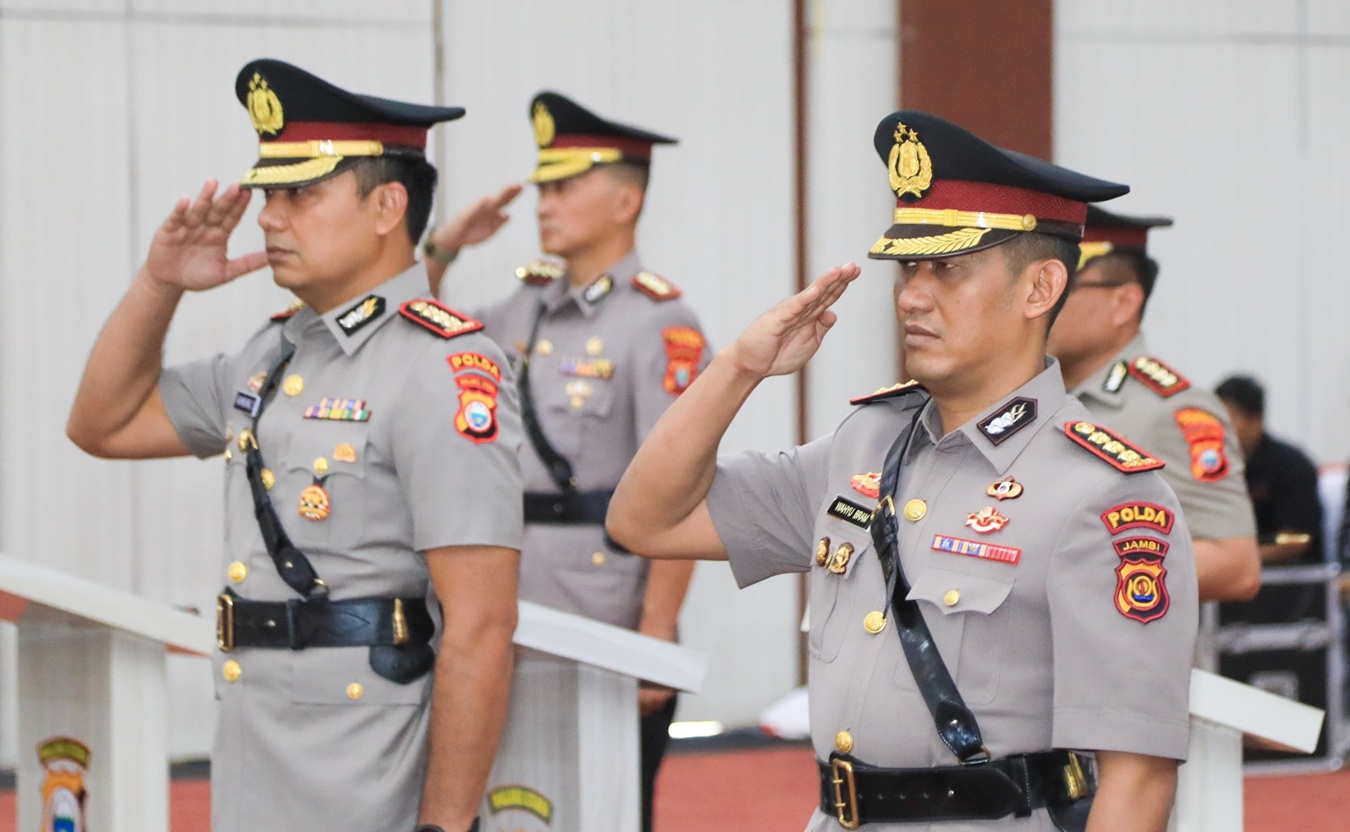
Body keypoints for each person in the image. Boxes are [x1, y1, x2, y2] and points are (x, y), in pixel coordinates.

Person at [608, 111, 1198, 831]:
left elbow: (1136, 784)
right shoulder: (865, 445)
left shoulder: (1103, 494)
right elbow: (645, 519)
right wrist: (738, 369)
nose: (913, 296)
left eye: (948, 268)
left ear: (1040, 289)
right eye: (908, 268)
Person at [65, 59, 522, 832]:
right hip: (255, 749)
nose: (269, 217)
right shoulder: (273, 354)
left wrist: (446, 826)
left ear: (387, 206)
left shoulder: (442, 369)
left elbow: (480, 626)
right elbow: (102, 424)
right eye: (269, 194)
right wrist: (160, 282)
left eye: (300, 193)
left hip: (367, 767)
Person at [422, 91, 708, 831]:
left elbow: (681, 486)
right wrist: (443, 251)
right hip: (501, 610)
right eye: (543, 185)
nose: (545, 203)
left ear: (626, 199)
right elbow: (411, 331)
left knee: (604, 808)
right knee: (503, 805)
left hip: (601, 616)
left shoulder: (659, 322)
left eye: (566, 185)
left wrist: (657, 629)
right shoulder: (524, 308)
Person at [1048, 206, 1260, 603]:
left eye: (1063, 286)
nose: (1043, 302)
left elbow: (1235, 564)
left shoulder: (1173, 411)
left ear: (1125, 303)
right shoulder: (1040, 397)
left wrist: (1063, 574)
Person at [1215, 374, 1323, 564]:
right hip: (1229, 572)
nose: (1217, 428)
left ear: (1255, 420)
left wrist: (1244, 556)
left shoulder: (1291, 465)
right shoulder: (1210, 468)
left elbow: (1299, 538)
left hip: (1290, 580)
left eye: (1227, 419)